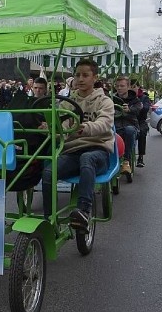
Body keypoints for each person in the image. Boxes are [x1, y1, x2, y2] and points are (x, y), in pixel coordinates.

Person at [41, 59, 114, 231]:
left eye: (85, 75)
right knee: (49, 172)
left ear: (94, 78)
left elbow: (104, 123)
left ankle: (83, 211)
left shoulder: (104, 101)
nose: (80, 79)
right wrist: (50, 129)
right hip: (73, 151)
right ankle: (49, 220)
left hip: (99, 150)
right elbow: (63, 129)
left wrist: (85, 128)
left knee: (87, 158)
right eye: (77, 75)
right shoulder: (67, 103)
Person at [112, 75, 141, 175]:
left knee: (129, 130)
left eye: (122, 86)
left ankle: (126, 161)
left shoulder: (135, 100)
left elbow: (138, 109)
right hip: (116, 127)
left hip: (131, 127)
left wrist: (129, 110)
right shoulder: (111, 99)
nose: (119, 88)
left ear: (128, 87)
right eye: (117, 86)